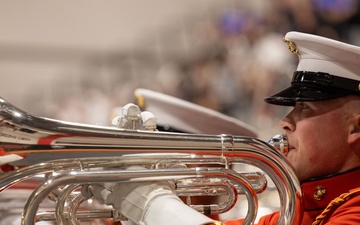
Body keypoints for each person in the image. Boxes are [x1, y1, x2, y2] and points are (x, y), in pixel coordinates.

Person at [84, 31, 360, 225]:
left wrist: (153, 204)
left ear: (355, 128)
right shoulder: (304, 208)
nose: (285, 122)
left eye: (304, 108)